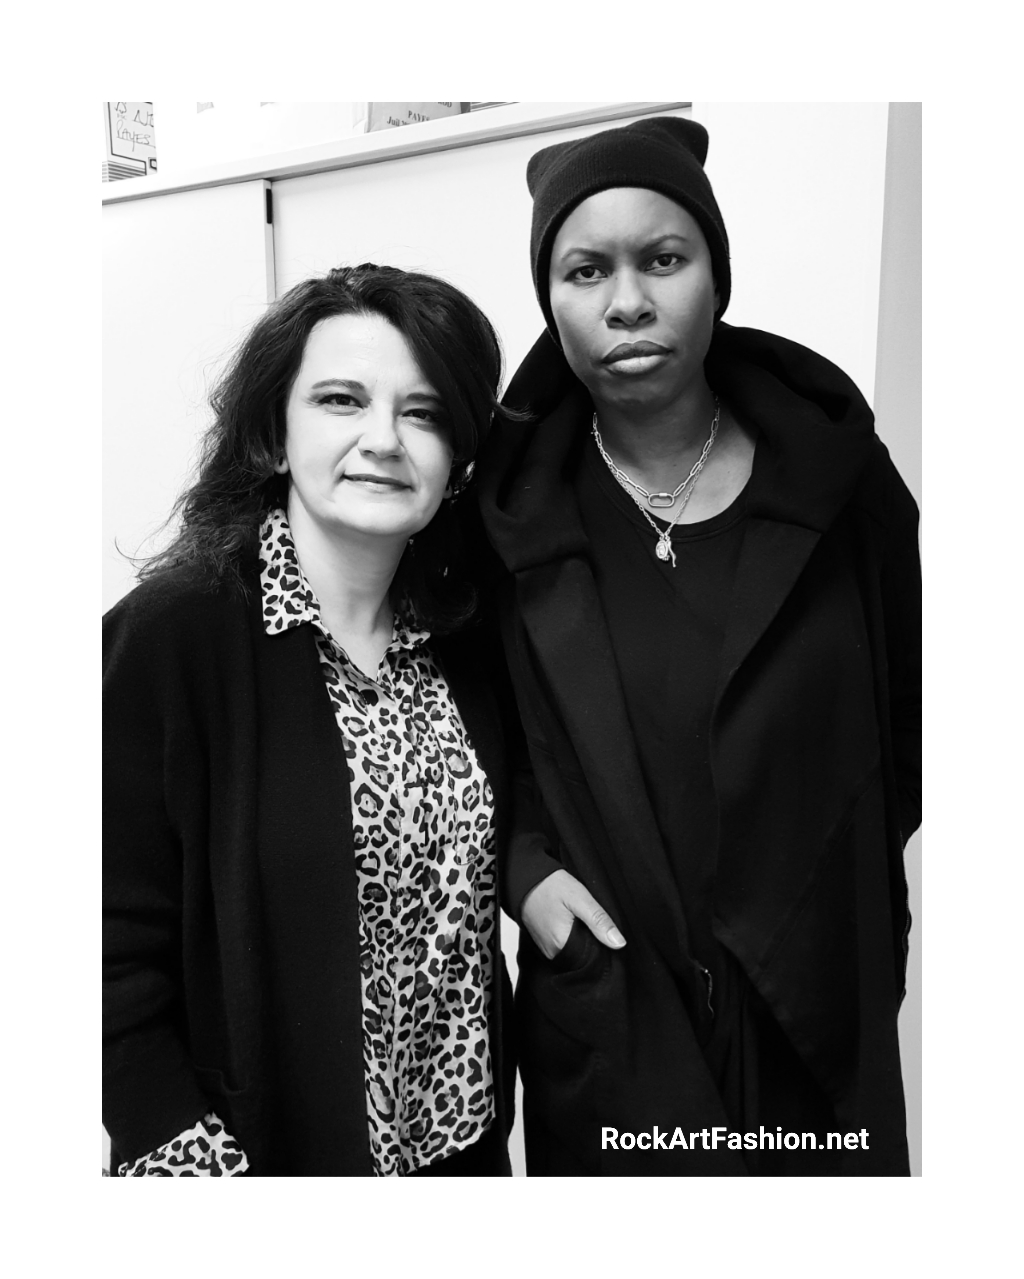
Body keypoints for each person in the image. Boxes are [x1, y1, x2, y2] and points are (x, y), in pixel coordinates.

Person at [478, 117, 921, 1175]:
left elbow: (912, 709)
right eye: (586, 270)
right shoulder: (506, 514)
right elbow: (472, 738)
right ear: (550, 299)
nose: (626, 300)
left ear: (715, 278)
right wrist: (526, 879)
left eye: (663, 259)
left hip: (812, 994)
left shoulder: (838, 480)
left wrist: (840, 886)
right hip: (618, 1006)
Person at [103, 263, 516, 1176]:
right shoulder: (170, 638)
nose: (384, 439)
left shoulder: (467, 638)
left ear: (456, 460)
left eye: (424, 412)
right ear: (274, 435)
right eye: (341, 400)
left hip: (457, 1157)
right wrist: (194, 1162)